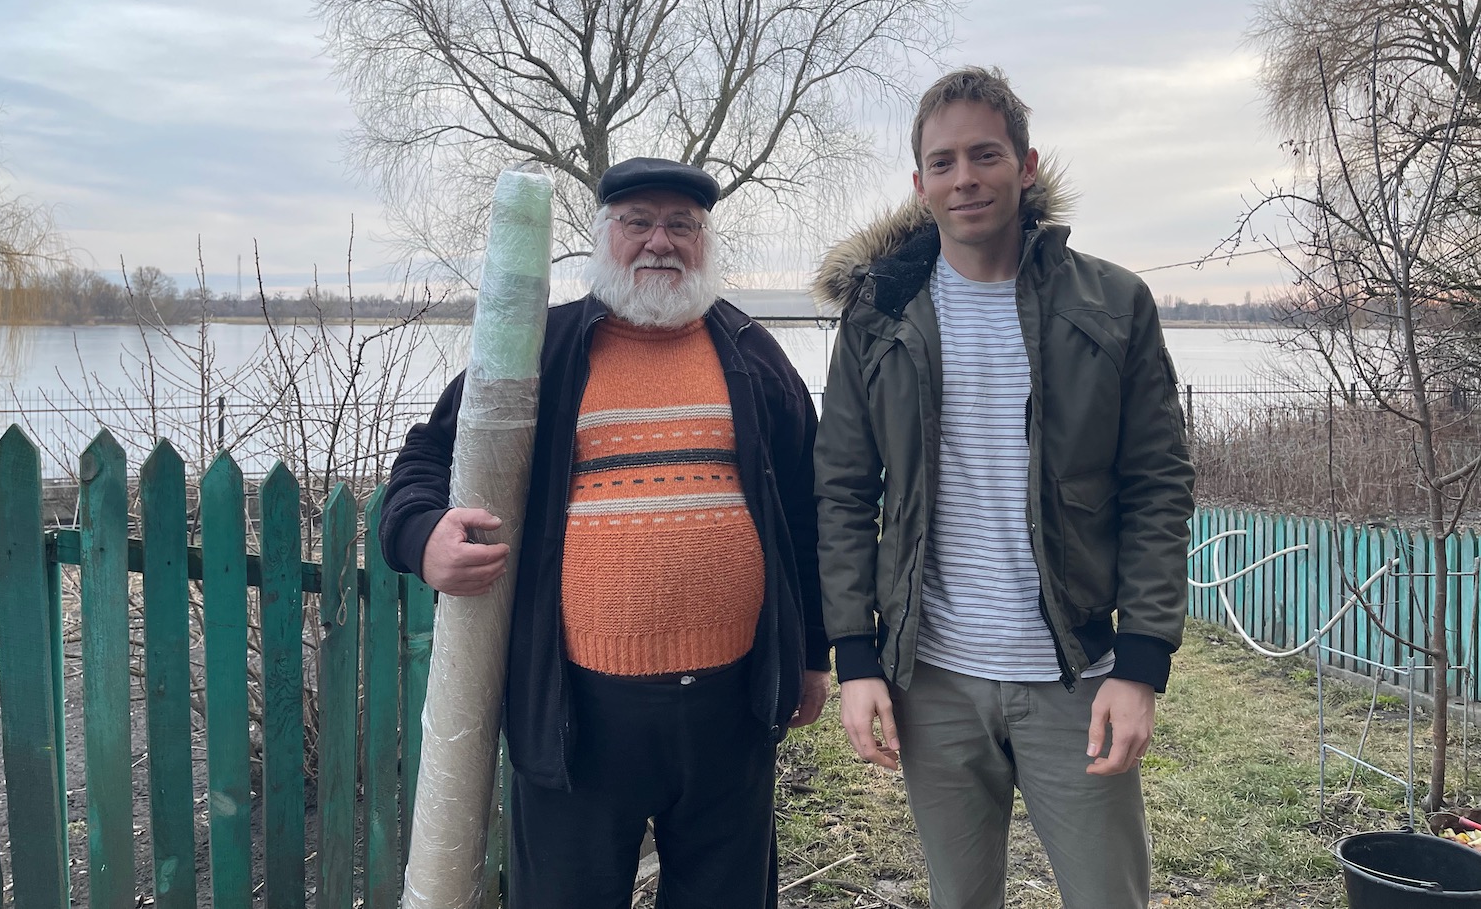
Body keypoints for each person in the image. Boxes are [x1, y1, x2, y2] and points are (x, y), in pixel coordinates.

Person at [379, 156, 829, 909]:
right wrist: (423, 536)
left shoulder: (752, 355)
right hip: (576, 718)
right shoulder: (544, 350)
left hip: (731, 711)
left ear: (705, 240)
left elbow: (809, 515)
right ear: (603, 237)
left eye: (681, 225)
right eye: (639, 223)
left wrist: (812, 653)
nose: (661, 241)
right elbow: (427, 453)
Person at [812, 67, 1194, 909]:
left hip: (1079, 673)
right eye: (942, 163)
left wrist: (1143, 662)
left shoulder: (1112, 303)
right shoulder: (878, 318)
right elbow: (840, 490)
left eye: (985, 155)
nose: (966, 178)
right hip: (933, 678)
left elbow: (1158, 485)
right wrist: (855, 654)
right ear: (919, 185)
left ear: (1026, 165)